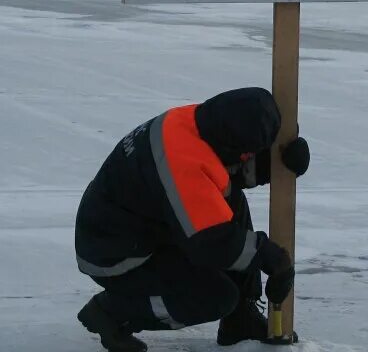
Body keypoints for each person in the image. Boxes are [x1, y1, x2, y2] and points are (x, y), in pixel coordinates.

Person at [75, 87, 310, 351]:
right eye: (251, 153)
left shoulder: (202, 121)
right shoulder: (181, 161)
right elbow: (212, 243)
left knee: (231, 201)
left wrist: (276, 164)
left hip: (145, 225)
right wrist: (269, 256)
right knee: (214, 296)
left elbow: (222, 172)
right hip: (113, 253)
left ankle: (240, 320)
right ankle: (113, 311)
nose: (251, 157)